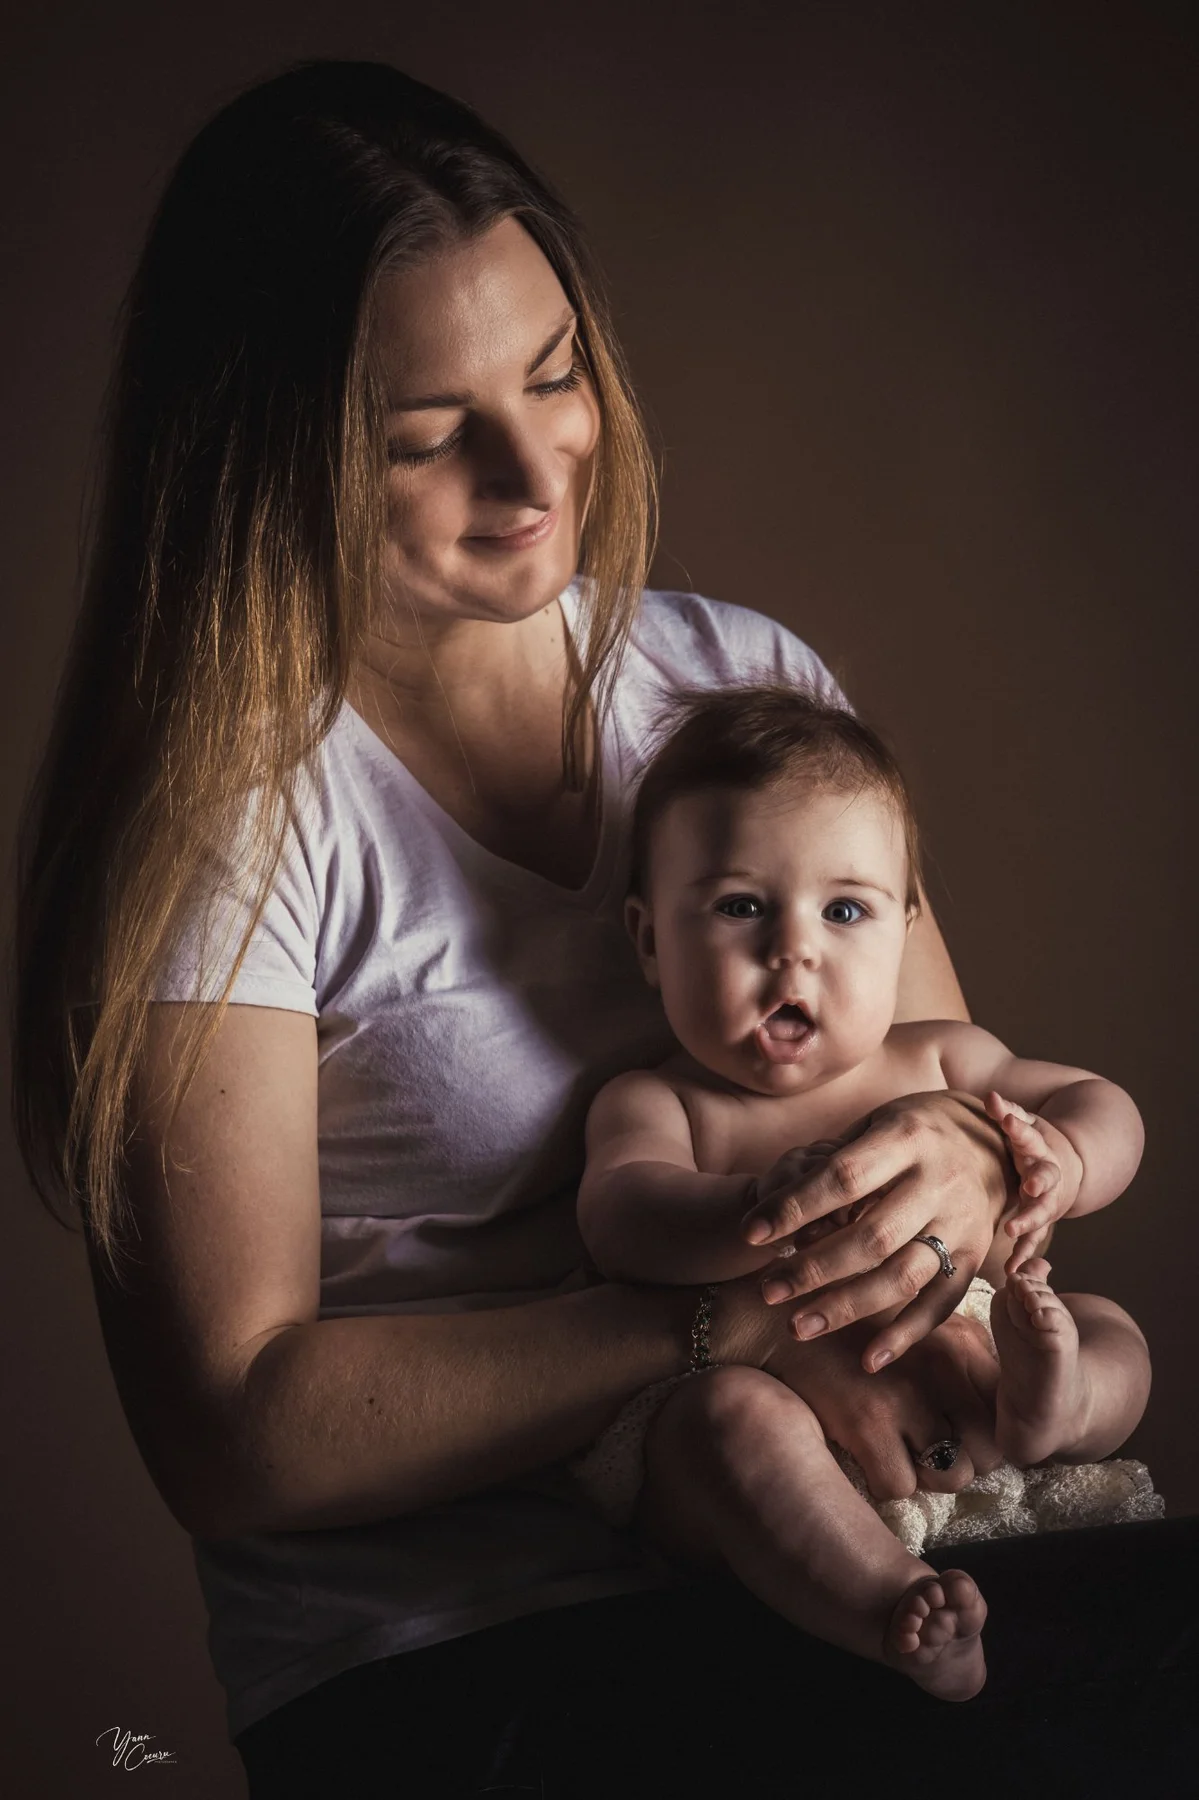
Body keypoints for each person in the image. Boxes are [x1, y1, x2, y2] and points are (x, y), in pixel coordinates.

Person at [11, 57, 1185, 1796]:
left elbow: (928, 1078)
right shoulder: (230, 818)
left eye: (552, 374)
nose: (531, 463)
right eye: (427, 434)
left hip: (895, 1534)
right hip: (472, 1657)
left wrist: (962, 1178)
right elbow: (236, 1437)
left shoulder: (740, 685)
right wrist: (719, 1331)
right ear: (271, 455)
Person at [572, 684, 1158, 1702]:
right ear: (648, 938)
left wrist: (1061, 1156)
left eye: (844, 910)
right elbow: (619, 1216)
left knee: (1109, 1331)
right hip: (779, 1416)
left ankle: (1050, 1406)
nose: (791, 949)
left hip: (968, 1368)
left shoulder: (939, 1057)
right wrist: (750, 1204)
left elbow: (1102, 1104)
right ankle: (887, 1602)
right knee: (719, 1425)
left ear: (904, 927)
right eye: (738, 907)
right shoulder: (664, 1101)